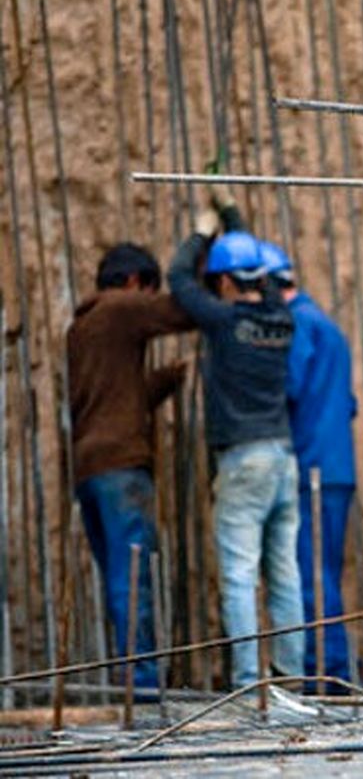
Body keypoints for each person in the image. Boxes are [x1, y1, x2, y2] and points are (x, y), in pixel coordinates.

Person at [167, 191, 305, 689]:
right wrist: (232, 219)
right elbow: (256, 268)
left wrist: (204, 232)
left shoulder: (226, 322)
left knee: (240, 576)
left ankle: (249, 682)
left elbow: (179, 280)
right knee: (285, 574)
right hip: (282, 458)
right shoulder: (280, 317)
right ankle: (289, 676)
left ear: (225, 281)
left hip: (244, 460)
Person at [69, 244, 193, 689]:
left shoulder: (82, 326)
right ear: (135, 283)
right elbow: (182, 312)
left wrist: (165, 381)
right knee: (133, 576)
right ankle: (139, 682)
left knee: (117, 577)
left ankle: (131, 677)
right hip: (121, 466)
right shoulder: (121, 308)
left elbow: (116, 397)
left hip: (88, 467)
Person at [260, 242, 357, 687]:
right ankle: (330, 671)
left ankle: (327, 676)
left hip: (311, 468)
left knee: (311, 576)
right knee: (324, 572)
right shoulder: (328, 326)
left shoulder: (297, 323)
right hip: (337, 466)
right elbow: (348, 403)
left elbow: (288, 386)